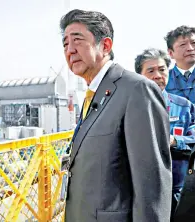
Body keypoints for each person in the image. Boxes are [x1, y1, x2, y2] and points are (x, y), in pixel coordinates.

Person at [61, 9, 172, 222]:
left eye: (78, 40)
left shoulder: (137, 90)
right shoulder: (94, 93)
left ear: (105, 45)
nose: (70, 50)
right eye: (65, 44)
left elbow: (152, 184)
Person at [135, 48, 195, 220]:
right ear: (140, 75)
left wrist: (175, 141)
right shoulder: (130, 107)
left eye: (162, 70)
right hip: (144, 194)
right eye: (150, 71)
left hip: (180, 191)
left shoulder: (185, 106)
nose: (157, 75)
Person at [165, 26, 195, 103]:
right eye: (183, 45)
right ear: (171, 53)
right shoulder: (165, 79)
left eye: (193, 43)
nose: (190, 48)